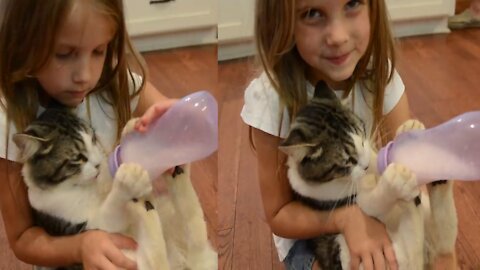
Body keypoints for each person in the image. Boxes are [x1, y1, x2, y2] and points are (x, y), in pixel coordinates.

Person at [241, 0, 417, 269]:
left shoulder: (380, 74)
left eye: (352, 3)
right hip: (312, 233)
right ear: (280, 22)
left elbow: (413, 177)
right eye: (312, 13)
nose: (338, 36)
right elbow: (278, 213)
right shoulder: (270, 99)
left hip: (375, 201)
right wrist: (346, 219)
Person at [0, 0, 176, 269]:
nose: (85, 75)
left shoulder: (114, 83)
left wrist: (169, 123)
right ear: (27, 43)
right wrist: (81, 246)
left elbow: (171, 112)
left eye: (99, 51)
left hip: (129, 235)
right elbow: (22, 237)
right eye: (64, 53)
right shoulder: (8, 119)